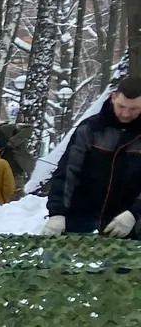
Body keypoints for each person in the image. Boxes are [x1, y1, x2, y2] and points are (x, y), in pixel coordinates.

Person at [41, 76, 141, 239]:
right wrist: (57, 212)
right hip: (82, 213)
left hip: (127, 219)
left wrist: (134, 213)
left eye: (134, 109)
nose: (125, 113)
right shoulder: (90, 129)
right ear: (113, 97)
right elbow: (68, 171)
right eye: (121, 106)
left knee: (125, 263)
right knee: (55, 260)